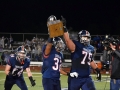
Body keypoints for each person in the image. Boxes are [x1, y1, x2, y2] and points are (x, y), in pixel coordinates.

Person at [61, 16, 101, 90]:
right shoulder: (76, 45)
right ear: (80, 37)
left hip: (86, 77)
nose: (86, 39)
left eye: (87, 37)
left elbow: (90, 60)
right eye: (84, 37)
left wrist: (97, 69)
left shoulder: (91, 48)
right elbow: (67, 40)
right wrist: (64, 27)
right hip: (75, 77)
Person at [42, 15, 71, 90]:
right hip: (48, 78)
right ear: (55, 44)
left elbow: (59, 69)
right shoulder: (48, 49)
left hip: (57, 79)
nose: (60, 45)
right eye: (59, 43)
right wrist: (52, 33)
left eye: (61, 44)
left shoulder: (60, 54)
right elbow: (48, 46)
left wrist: (68, 74)